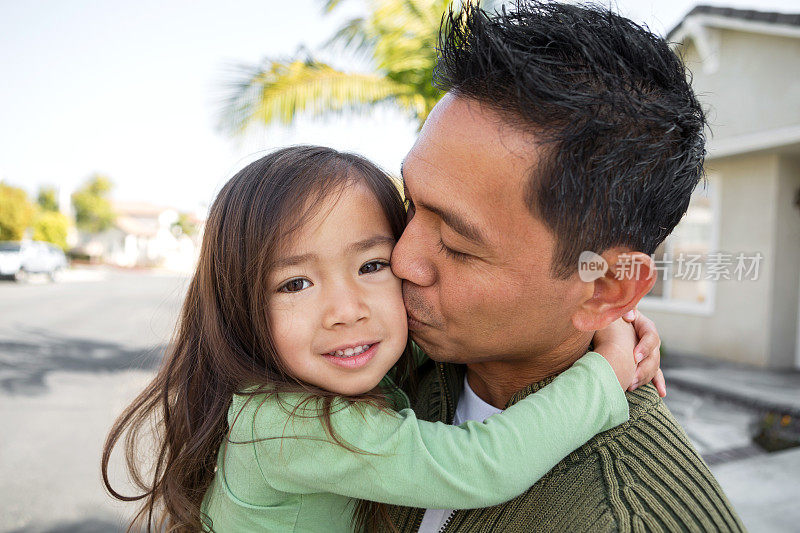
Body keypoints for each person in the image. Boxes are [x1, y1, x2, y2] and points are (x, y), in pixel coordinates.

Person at [101, 146, 662, 532]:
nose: (347, 312)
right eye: (296, 283)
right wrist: (607, 371)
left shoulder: (348, 360)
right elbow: (477, 466)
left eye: (371, 265)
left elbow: (457, 332)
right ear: (239, 307)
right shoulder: (286, 425)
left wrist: (596, 314)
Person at [382, 2, 745, 531]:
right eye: (410, 205)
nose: (401, 259)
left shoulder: (626, 516)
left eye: (458, 244)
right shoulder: (383, 361)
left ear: (605, 289)